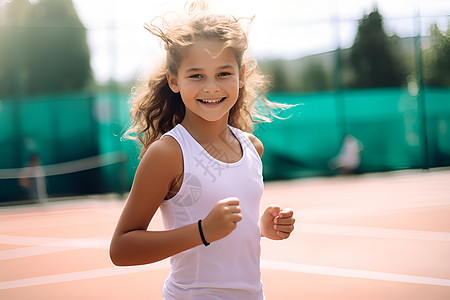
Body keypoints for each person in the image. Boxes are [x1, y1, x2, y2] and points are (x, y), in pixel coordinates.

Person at [110, 2, 295, 299]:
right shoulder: (167, 154)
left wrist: (260, 228)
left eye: (223, 73)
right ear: (174, 80)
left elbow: (227, 236)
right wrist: (202, 232)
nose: (211, 87)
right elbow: (121, 248)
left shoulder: (252, 147)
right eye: (196, 75)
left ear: (241, 75)